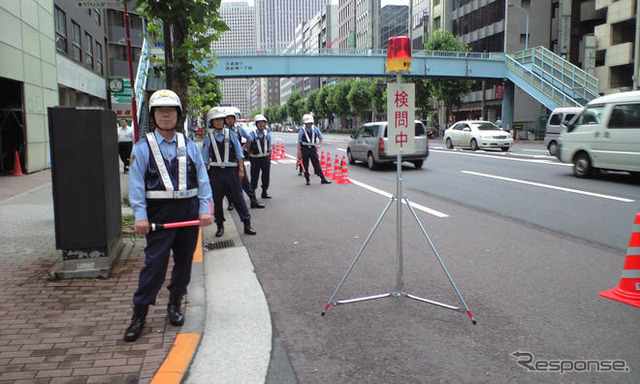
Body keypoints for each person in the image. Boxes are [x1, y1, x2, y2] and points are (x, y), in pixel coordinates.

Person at [124, 89, 213, 342]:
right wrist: (139, 217)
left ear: (178, 115)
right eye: (160, 111)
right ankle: (139, 315)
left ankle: (175, 304)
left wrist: (205, 209)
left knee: (184, 264)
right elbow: (136, 186)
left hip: (187, 214)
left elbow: (203, 180)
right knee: (155, 266)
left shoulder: (191, 146)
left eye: (170, 111)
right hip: (158, 216)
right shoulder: (142, 148)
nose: (166, 115)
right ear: (153, 116)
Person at [202, 108, 257, 237]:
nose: (219, 122)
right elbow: (204, 159)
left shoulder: (231, 134)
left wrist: (241, 170)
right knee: (217, 200)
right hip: (215, 173)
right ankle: (220, 225)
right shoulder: (208, 138)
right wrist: (205, 176)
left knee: (238, 198)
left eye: (221, 119)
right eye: (216, 120)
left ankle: (247, 224)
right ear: (212, 122)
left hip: (231, 172)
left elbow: (239, 154)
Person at [225, 110, 265, 209]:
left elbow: (250, 137)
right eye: (228, 119)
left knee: (245, 181)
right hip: (226, 161)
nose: (230, 121)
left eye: (232, 118)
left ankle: (253, 200)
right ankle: (230, 202)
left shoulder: (238, 129)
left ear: (235, 120)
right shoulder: (223, 130)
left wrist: (244, 147)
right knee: (229, 183)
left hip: (237, 159)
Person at [297, 113, 331, 186]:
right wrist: (299, 152)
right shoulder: (302, 130)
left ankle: (322, 178)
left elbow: (321, 137)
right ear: (305, 123)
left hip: (313, 148)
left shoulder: (315, 128)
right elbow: (299, 142)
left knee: (316, 163)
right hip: (304, 148)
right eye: (307, 123)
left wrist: (319, 145)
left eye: (310, 123)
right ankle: (307, 179)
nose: (308, 124)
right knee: (305, 164)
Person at [246, 114, 272, 198]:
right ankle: (252, 195)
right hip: (255, 159)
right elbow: (248, 146)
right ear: (256, 124)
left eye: (263, 123)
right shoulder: (252, 134)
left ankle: (264, 192)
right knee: (254, 177)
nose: (261, 124)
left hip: (265, 158)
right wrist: (251, 155)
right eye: (259, 123)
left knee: (266, 176)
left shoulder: (267, 133)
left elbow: (269, 145)